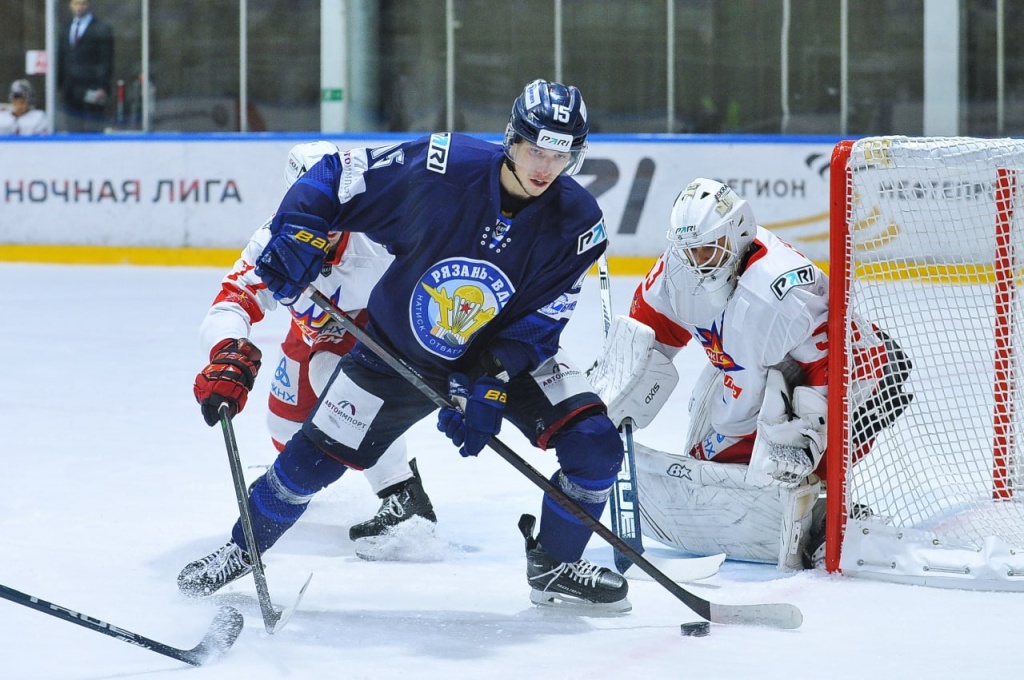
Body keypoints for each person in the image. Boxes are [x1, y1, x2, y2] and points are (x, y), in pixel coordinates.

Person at [177, 79, 631, 612]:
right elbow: (337, 174)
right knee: (308, 462)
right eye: (536, 149)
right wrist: (300, 230)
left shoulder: (579, 224)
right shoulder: (444, 168)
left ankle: (554, 565)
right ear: (512, 139)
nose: (545, 167)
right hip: (397, 354)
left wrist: (492, 379)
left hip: (500, 354)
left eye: (562, 155)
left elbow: (542, 319)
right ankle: (242, 548)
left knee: (595, 444)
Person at [591, 178, 912, 569]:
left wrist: (807, 433)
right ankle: (788, 498)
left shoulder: (776, 295)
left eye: (707, 249)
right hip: (773, 369)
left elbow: (826, 366)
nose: (695, 262)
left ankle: (831, 517)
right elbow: (649, 335)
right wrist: (611, 396)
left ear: (738, 233)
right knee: (719, 456)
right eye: (687, 250)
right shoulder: (681, 268)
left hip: (860, 381)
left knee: (777, 467)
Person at [193, 140, 437, 548]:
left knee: (337, 379)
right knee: (284, 427)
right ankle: (320, 469)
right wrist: (227, 350)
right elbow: (229, 304)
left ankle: (403, 495)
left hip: (378, 332)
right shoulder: (270, 241)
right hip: (311, 333)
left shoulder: (379, 238)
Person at [57, 0, 114, 132]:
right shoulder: (65, 29)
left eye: (83, 3)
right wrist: (59, 85)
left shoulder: (101, 28)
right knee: (72, 128)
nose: (79, 7)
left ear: (88, 5)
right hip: (70, 88)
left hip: (92, 86)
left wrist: (103, 86)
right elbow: (61, 58)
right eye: (76, 3)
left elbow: (106, 60)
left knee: (93, 126)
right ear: (70, 5)